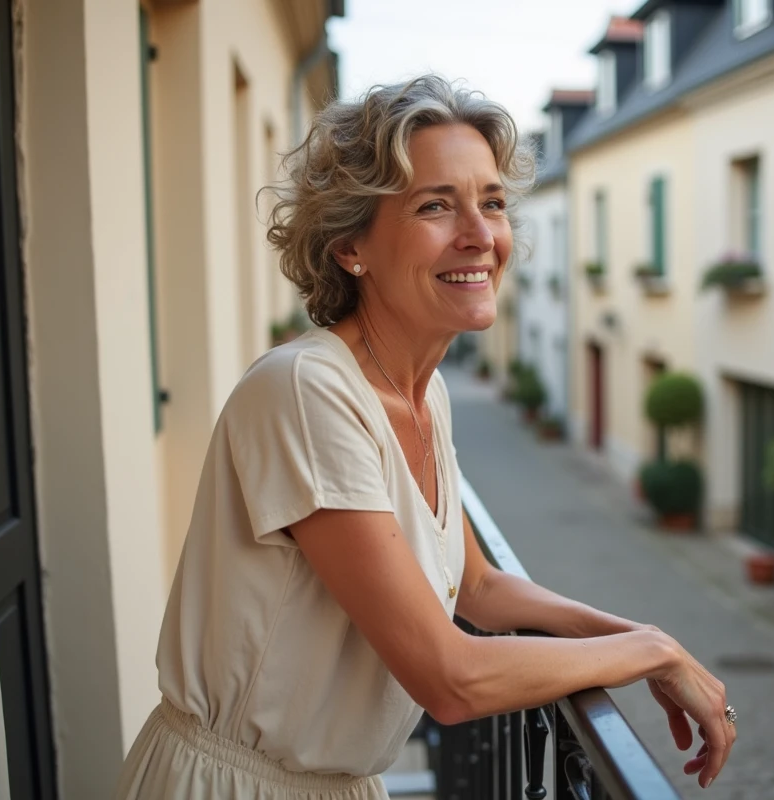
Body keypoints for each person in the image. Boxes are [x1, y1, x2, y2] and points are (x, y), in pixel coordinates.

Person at [114, 75, 735, 800]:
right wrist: (649, 654)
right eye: (436, 205)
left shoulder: (424, 391)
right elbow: (450, 678)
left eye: (492, 203)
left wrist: (637, 636)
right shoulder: (307, 390)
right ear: (351, 246)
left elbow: (476, 586)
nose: (480, 236)